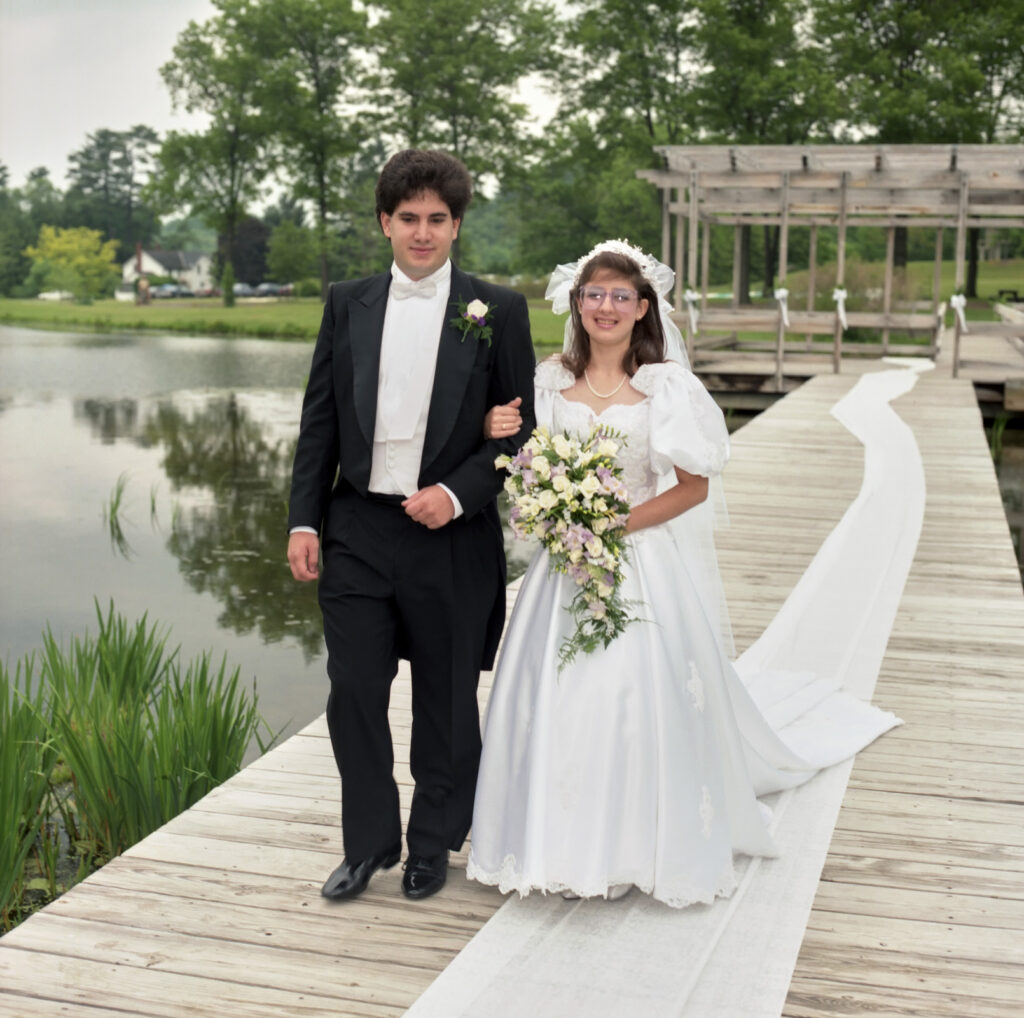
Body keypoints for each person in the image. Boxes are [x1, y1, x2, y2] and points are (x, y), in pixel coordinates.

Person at [466, 239, 899, 908]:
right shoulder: (548, 379)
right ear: (576, 304)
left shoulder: (665, 386)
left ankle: (633, 842)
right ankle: (552, 840)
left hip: (638, 561)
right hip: (562, 569)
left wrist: (613, 526)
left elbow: (692, 487)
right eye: (593, 294)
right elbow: (517, 453)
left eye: (620, 296)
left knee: (629, 697)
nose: (605, 307)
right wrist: (507, 441)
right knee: (553, 695)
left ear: (644, 309)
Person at [287, 149, 536, 903]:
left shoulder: (499, 309)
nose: (421, 233)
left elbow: (520, 433)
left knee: (447, 695)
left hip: (450, 535)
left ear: (457, 225)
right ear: (384, 223)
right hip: (357, 526)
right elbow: (319, 420)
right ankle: (368, 845)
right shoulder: (347, 301)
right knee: (354, 689)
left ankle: (434, 843)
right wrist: (304, 520)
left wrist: (457, 494)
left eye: (436, 220)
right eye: (407, 219)